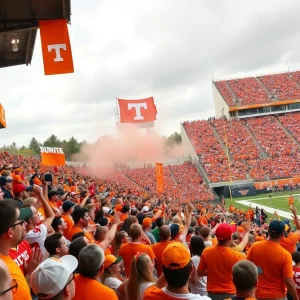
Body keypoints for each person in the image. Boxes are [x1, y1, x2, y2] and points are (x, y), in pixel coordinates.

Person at [247, 220, 298, 300]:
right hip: (278, 295)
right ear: (282, 234)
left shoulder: (255, 246)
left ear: (268, 231)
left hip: (258, 294)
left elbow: (247, 267)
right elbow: (289, 281)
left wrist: (260, 270)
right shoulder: (285, 255)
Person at [144, 242, 210, 300]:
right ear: (191, 269)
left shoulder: (149, 296)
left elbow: (155, 286)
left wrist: (169, 267)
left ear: (163, 270)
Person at [198, 223, 245, 300]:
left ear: (216, 237)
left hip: (211, 294)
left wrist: (212, 271)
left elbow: (200, 273)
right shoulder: (237, 256)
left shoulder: (207, 252)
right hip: (231, 293)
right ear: (230, 237)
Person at [0, 200, 32, 300]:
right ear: (10, 232)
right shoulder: (5, 273)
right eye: (21, 222)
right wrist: (31, 273)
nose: (26, 223)